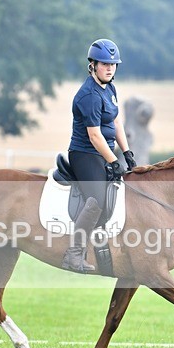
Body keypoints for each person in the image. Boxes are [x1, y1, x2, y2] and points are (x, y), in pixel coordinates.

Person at [62, 38, 137, 273]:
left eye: (113, 64)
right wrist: (114, 161)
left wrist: (127, 152)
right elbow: (95, 136)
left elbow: (116, 121)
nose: (109, 68)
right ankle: (73, 255)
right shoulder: (89, 96)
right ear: (92, 65)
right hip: (85, 154)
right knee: (96, 202)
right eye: (104, 64)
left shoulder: (110, 88)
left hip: (104, 152)